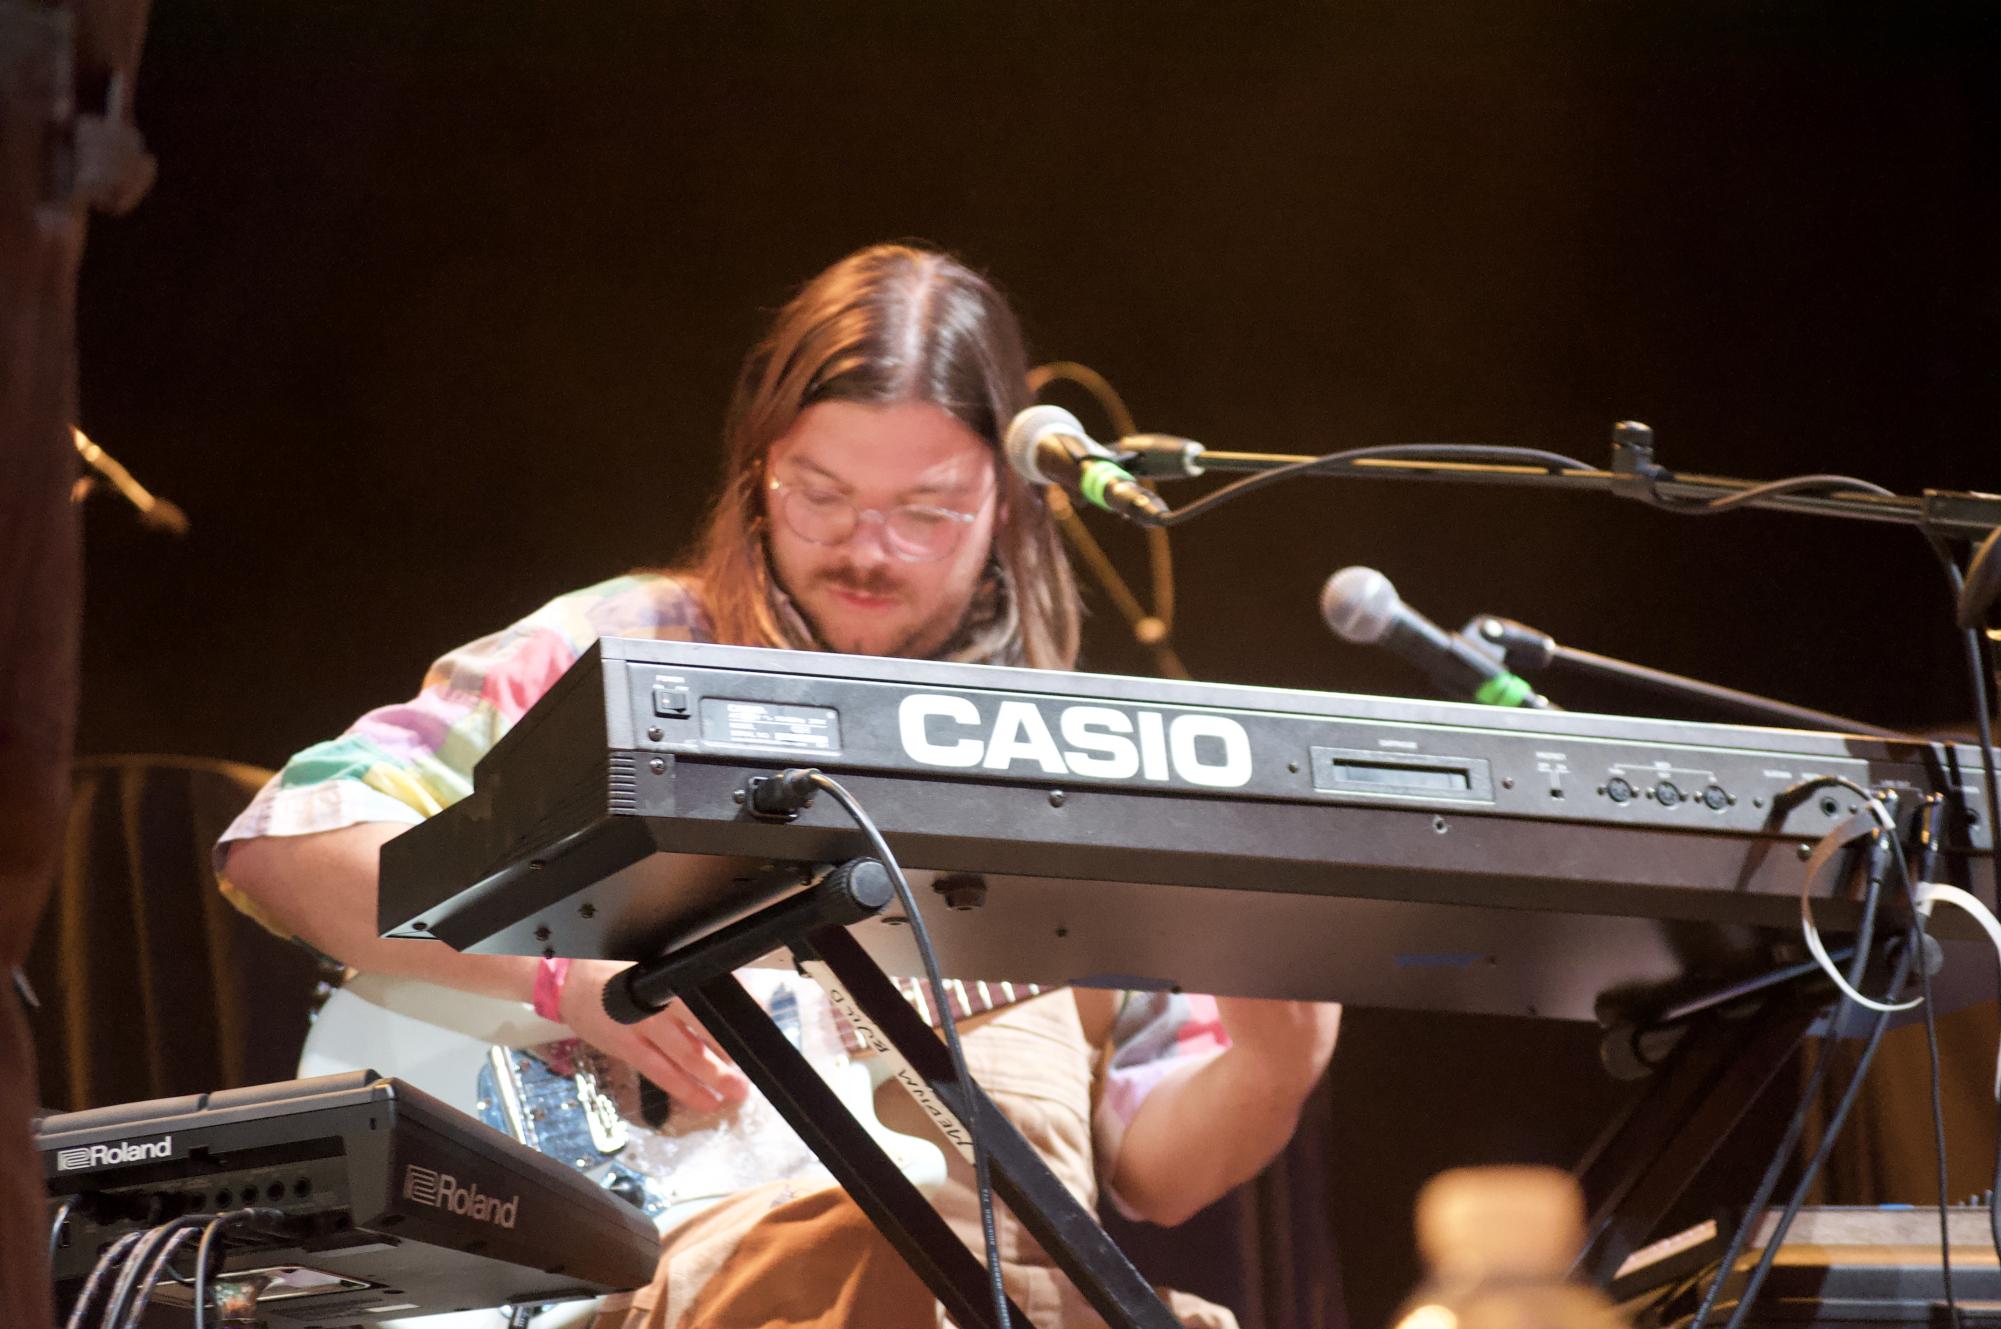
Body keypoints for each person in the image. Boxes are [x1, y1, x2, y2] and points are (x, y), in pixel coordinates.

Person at [218, 243, 1341, 1328]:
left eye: (926, 512)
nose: (868, 549)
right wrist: (567, 984)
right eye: (822, 496)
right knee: (875, 1253)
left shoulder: (1077, 761)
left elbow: (1157, 1166)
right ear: (758, 475)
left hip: (953, 1291)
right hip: (643, 1270)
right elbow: (289, 843)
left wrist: (1277, 1062)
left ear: (1008, 499)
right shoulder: (631, 655)